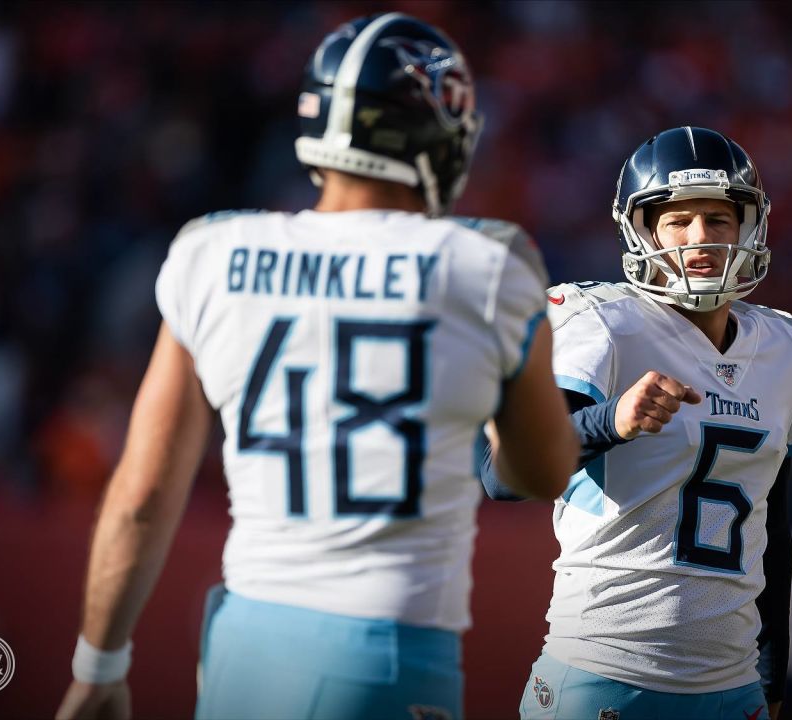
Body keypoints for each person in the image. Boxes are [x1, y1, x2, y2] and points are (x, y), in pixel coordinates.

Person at [56, 12, 578, 720]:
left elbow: (144, 491)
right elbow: (541, 473)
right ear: (434, 132)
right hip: (388, 655)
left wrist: (99, 663)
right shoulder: (486, 266)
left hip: (243, 643)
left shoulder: (214, 251)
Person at [481, 126, 792, 720]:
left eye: (719, 219)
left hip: (733, 686)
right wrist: (609, 421)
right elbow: (502, 477)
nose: (701, 238)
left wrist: (771, 678)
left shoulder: (783, 345)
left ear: (749, 228)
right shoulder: (601, 323)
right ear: (642, 230)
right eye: (679, 221)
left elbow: (771, 531)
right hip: (605, 675)